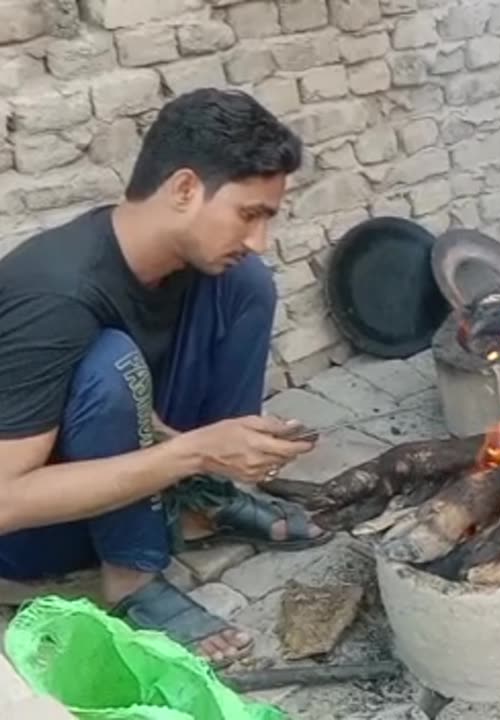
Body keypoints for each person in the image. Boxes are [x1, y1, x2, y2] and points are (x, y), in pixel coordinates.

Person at [0, 88, 333, 667]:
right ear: (183, 190)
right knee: (110, 360)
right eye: (249, 214)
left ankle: (204, 505)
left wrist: (210, 454)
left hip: (114, 465)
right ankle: (129, 576)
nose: (258, 238)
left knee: (245, 282)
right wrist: (194, 452)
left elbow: (136, 410)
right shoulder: (55, 294)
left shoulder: (183, 264)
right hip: (30, 536)